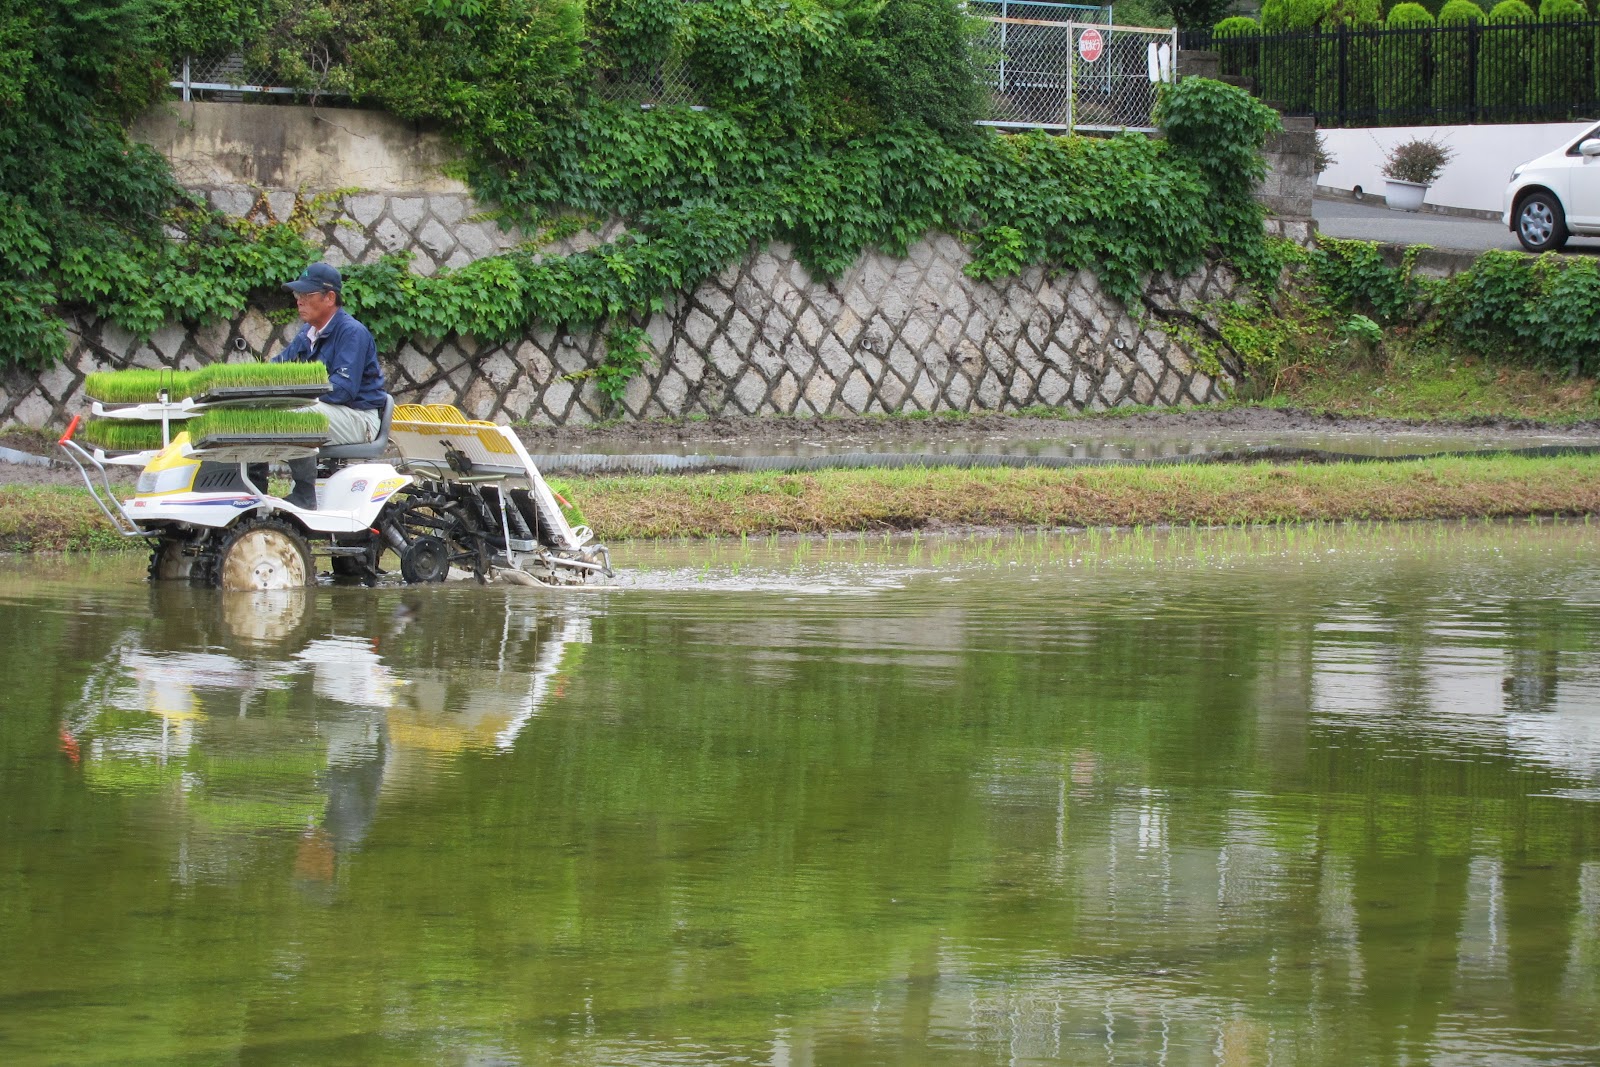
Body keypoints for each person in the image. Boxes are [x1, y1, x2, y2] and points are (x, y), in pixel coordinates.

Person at [270, 262, 388, 510]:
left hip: (359, 417)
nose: (299, 301)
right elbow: (276, 367)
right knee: (252, 418)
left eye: (306, 295)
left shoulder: (352, 332)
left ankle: (304, 495)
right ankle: (253, 493)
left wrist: (296, 394)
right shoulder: (308, 332)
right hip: (328, 411)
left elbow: (343, 389)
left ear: (330, 297)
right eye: (297, 295)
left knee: (298, 418)